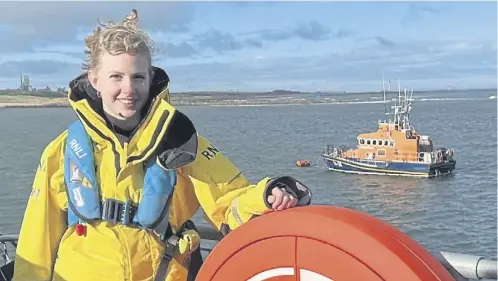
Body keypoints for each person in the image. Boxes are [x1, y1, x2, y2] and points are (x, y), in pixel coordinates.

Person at [12, 9, 311, 281]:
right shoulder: (62, 151)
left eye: (138, 77)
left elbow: (229, 200)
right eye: (116, 77)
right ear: (95, 80)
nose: (128, 89)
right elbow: (36, 242)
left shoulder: (181, 143)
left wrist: (269, 194)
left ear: (150, 78)